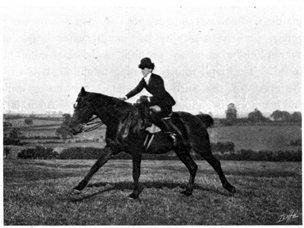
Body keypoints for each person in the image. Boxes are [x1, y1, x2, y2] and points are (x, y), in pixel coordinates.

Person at [121, 57, 182, 144]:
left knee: (153, 115)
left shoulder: (157, 79)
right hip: (156, 102)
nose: (142, 70)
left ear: (150, 69)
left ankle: (170, 133)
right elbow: (136, 90)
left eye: (144, 68)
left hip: (164, 103)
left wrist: (148, 99)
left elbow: (160, 94)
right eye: (141, 68)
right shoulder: (144, 80)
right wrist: (124, 97)